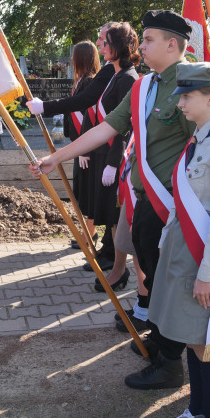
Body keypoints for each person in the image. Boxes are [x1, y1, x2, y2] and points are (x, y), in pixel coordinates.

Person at [30, 10, 195, 387]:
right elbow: (107, 127)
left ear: (173, 45)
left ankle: (171, 363)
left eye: (149, 39)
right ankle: (161, 341)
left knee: (170, 281)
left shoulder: (192, 84)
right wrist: (55, 158)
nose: (142, 45)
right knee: (152, 275)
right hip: (146, 200)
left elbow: (202, 148)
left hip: (175, 204)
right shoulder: (145, 87)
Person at [130, 63, 210, 418]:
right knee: (192, 339)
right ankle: (196, 411)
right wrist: (167, 240)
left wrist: (208, 274)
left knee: (205, 342)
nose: (180, 102)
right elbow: (180, 204)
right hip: (182, 250)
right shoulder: (197, 142)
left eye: (187, 96)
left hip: (202, 256)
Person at [26, 22, 119, 269]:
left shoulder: (119, 75)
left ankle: (109, 252)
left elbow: (89, 106)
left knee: (104, 202)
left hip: (106, 148)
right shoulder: (107, 72)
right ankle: (104, 247)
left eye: (103, 40)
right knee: (91, 197)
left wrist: (45, 107)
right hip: (93, 145)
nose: (99, 44)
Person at [80, 23, 140, 251]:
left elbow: (124, 126)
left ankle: (116, 264)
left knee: (113, 213)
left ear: (118, 47)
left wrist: (113, 163)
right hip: (104, 151)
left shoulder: (127, 78)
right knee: (108, 212)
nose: (101, 46)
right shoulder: (116, 74)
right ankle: (112, 260)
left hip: (114, 155)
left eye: (106, 43)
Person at [64, 40, 101, 247]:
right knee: (81, 191)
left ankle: (90, 235)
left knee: (88, 192)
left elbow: (91, 116)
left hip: (88, 149)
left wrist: (84, 148)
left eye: (74, 55)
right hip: (80, 146)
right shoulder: (80, 81)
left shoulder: (90, 82)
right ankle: (88, 232)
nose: (71, 59)